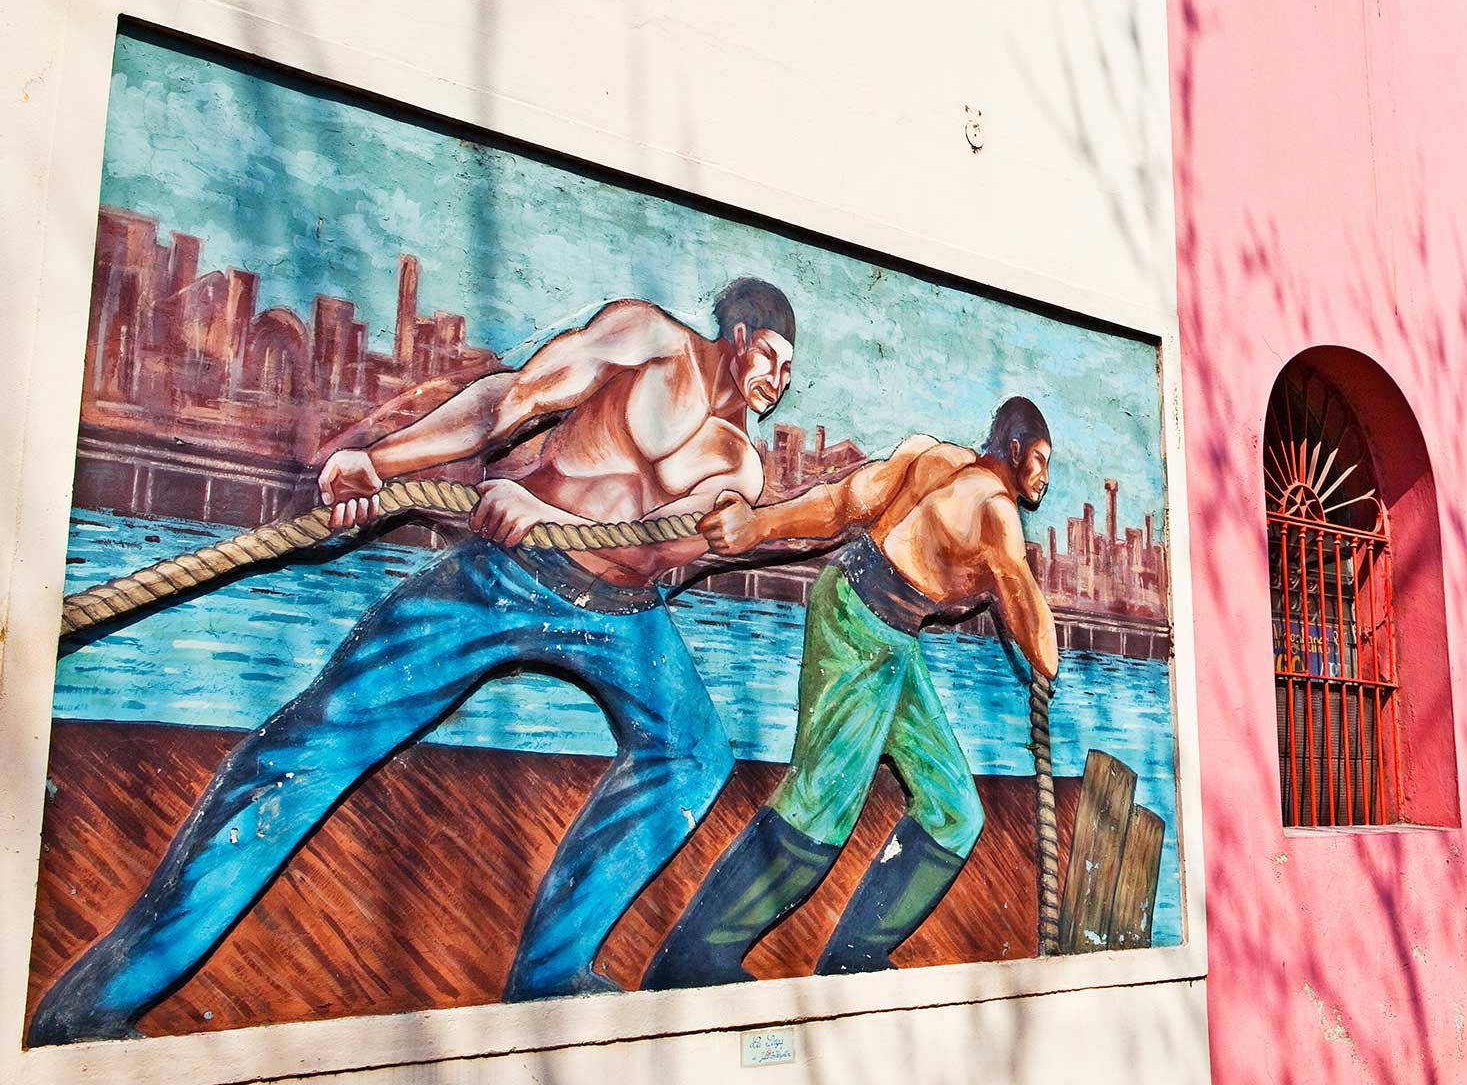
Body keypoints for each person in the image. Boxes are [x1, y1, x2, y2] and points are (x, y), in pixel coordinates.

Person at [29, 280, 797, 1044]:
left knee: (693, 753)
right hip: (503, 575)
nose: (778, 381)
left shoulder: (741, 467)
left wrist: (554, 516)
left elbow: (661, 542)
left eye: (788, 373)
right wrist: (382, 461)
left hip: (624, 620)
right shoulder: (648, 340)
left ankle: (551, 976)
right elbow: (511, 400)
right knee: (312, 742)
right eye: (771, 356)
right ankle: (94, 1006)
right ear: (737, 333)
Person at [644, 397, 1060, 987]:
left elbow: (843, 502)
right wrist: (1042, 644)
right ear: (1014, 450)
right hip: (862, 626)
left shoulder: (930, 456)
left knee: (954, 810)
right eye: (1041, 460)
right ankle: (692, 957)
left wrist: (763, 521)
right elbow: (1039, 638)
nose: (1044, 478)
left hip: (889, 636)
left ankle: (855, 953)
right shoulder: (996, 511)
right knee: (822, 802)